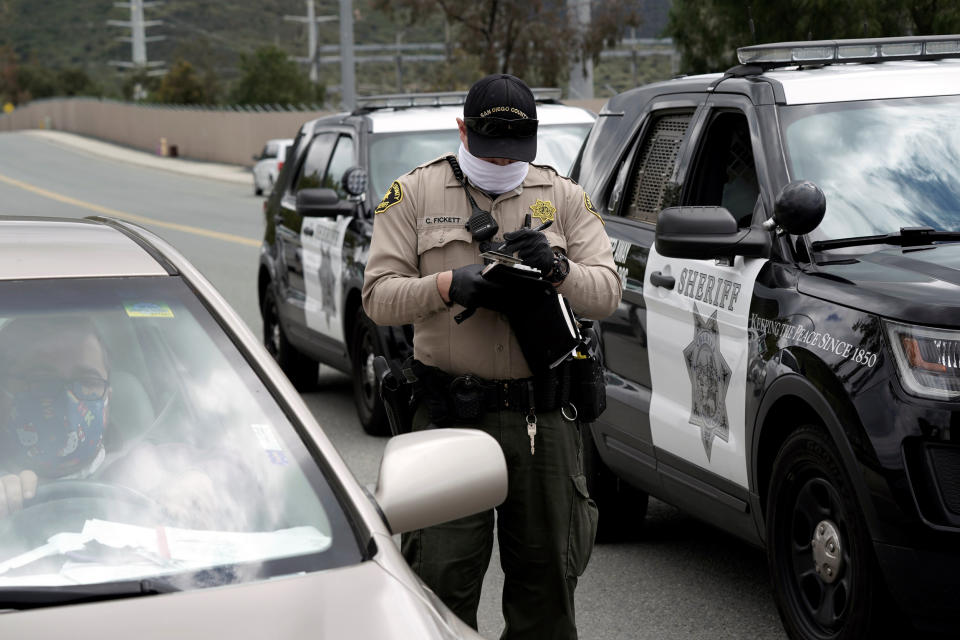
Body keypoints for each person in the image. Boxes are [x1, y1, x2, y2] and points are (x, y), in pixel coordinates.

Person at [362, 74, 621, 639]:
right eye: (490, 149)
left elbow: (608, 292)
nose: (503, 162)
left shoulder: (564, 196)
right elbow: (377, 297)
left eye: (515, 153)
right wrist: (447, 286)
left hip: (543, 419)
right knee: (441, 583)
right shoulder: (414, 194)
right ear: (462, 130)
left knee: (547, 587)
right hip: (453, 418)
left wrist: (559, 271)